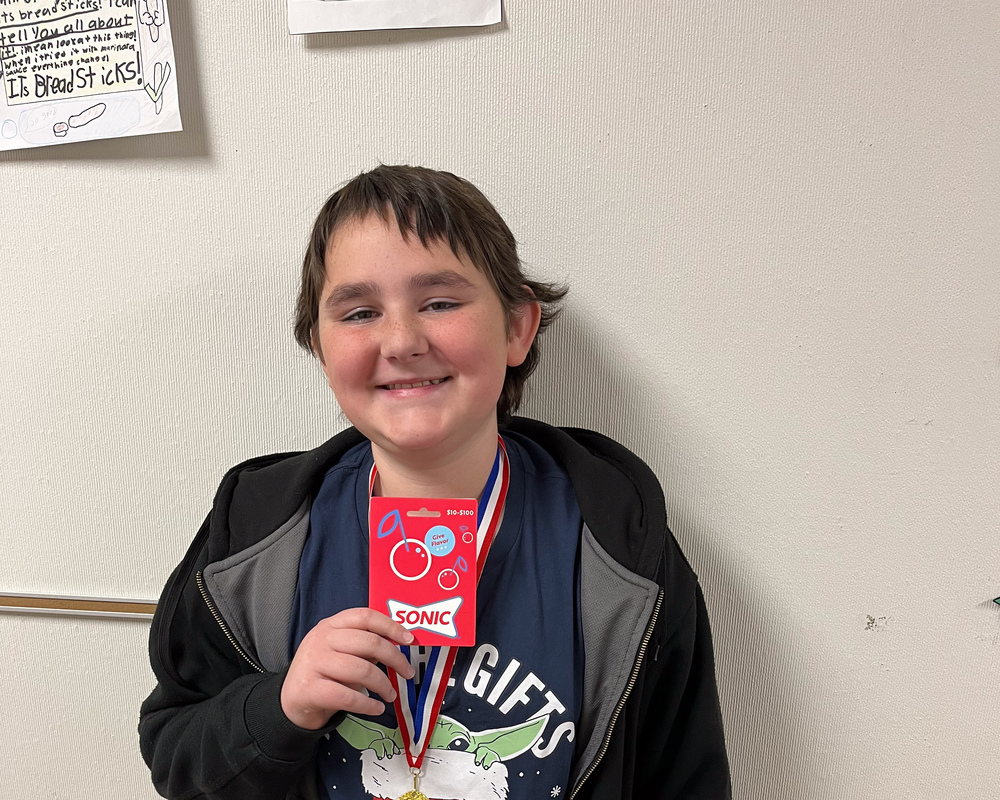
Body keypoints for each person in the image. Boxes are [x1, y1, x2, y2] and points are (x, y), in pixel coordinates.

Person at [138, 165, 731, 800]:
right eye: (360, 312)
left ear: (516, 328)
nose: (400, 340)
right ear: (318, 343)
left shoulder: (620, 548)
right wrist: (279, 708)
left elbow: (686, 777)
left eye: (440, 302)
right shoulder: (255, 536)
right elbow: (177, 759)